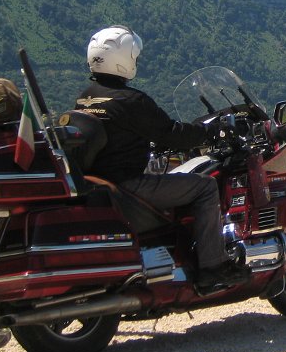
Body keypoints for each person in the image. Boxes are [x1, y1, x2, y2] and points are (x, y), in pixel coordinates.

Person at [75, 25, 249, 291]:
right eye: (134, 56)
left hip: (100, 183)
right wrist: (210, 131)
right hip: (130, 186)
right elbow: (172, 134)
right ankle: (213, 269)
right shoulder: (131, 101)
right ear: (123, 60)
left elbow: (120, 134)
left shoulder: (85, 97)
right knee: (205, 187)